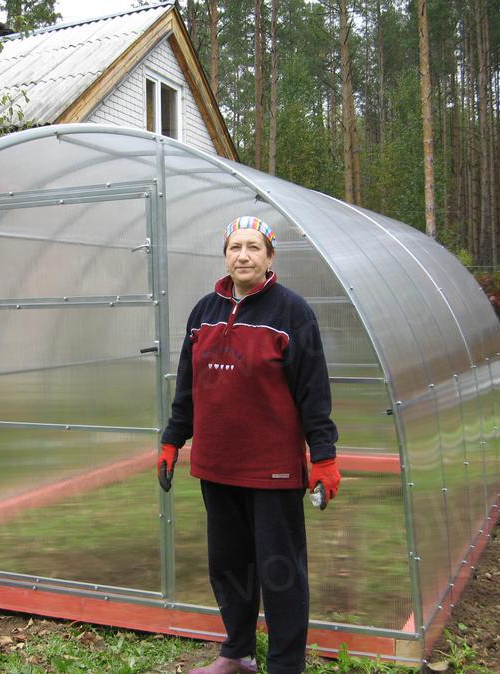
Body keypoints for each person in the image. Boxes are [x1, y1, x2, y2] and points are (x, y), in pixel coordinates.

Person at [157, 216, 340, 674]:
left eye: (253, 247)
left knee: (281, 571)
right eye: (235, 246)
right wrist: (172, 440)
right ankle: (237, 653)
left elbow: (313, 391)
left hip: (271, 469)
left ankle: (284, 665)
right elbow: (187, 386)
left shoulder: (291, 313)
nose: (243, 255)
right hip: (217, 465)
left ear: (269, 257)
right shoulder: (203, 312)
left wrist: (324, 456)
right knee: (228, 564)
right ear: (224, 254)